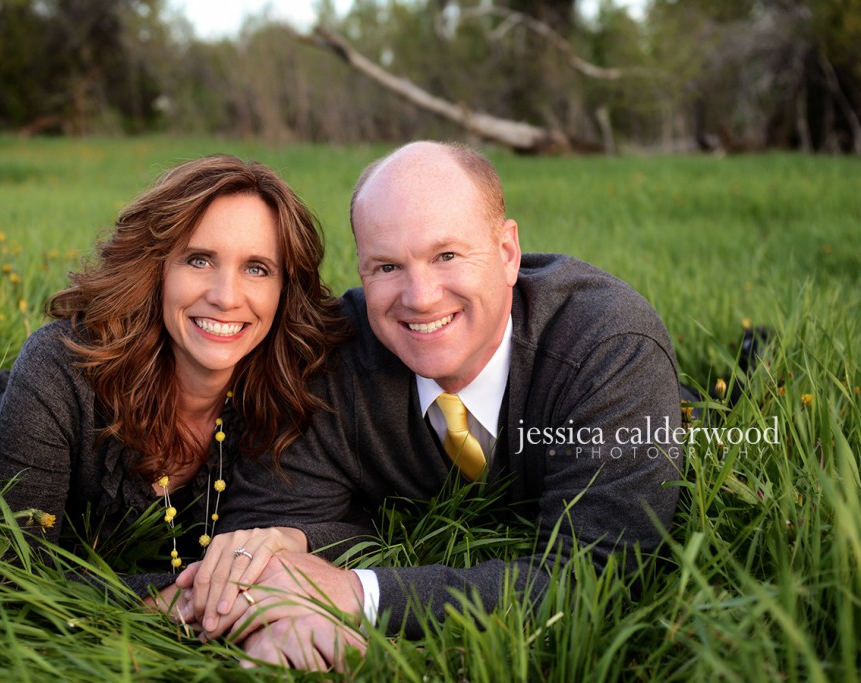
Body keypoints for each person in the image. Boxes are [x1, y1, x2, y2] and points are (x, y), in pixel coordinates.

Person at [175, 141, 684, 669]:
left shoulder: (607, 348)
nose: (419, 297)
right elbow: (266, 543)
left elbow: (600, 574)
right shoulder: (330, 358)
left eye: (446, 256)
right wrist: (290, 566)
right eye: (387, 266)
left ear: (508, 252)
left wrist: (360, 595)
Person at [0, 154, 346, 604]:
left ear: (284, 289)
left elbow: (353, 524)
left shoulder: (298, 385)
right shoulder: (59, 367)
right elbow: (3, 574)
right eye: (199, 260)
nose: (226, 297)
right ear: (157, 270)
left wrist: (292, 540)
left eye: (256, 268)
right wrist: (181, 599)